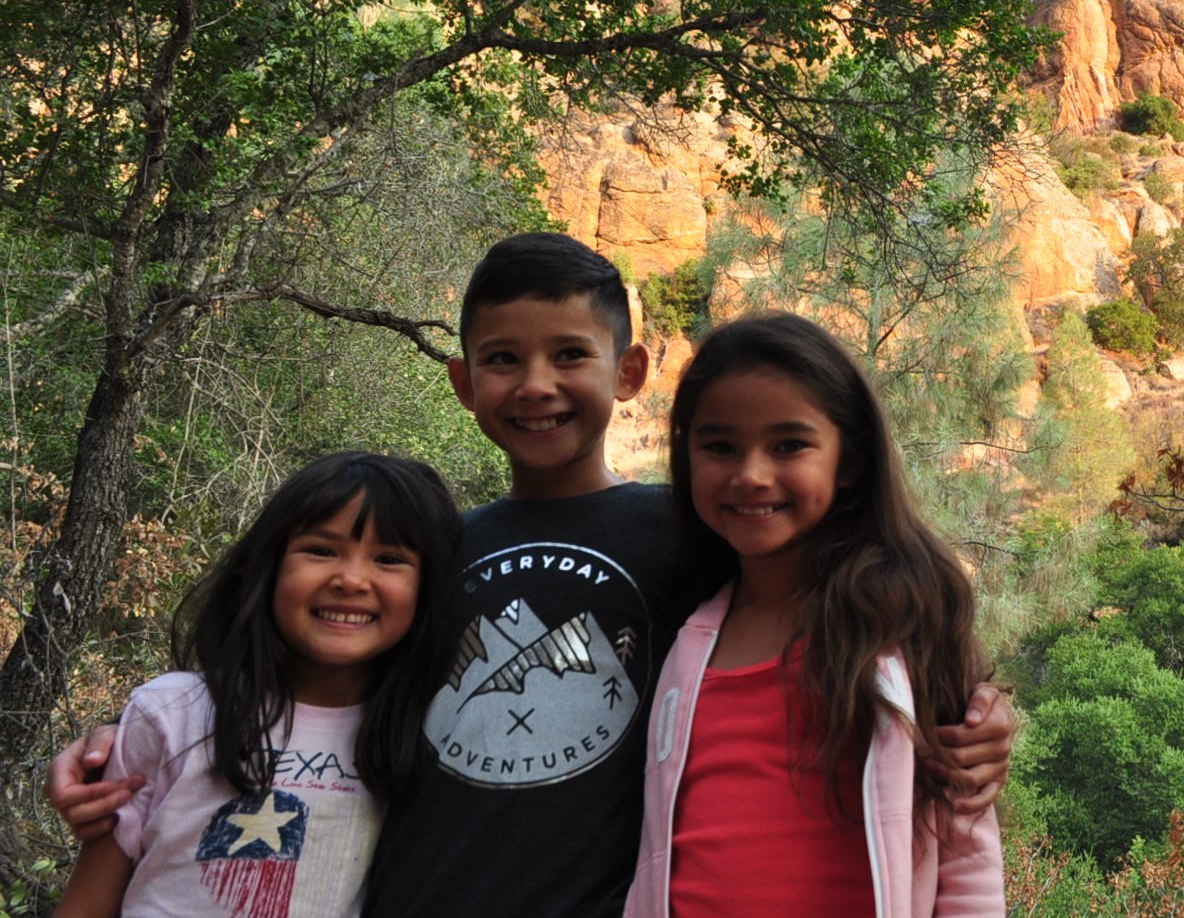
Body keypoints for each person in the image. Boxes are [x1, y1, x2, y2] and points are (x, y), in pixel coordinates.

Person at [51, 232, 1014, 918]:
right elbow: (321, 674)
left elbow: (815, 588)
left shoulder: (685, 533)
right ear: (464, 383)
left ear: (630, 370)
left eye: (569, 355)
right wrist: (137, 745)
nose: (537, 384)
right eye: (503, 360)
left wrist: (970, 715)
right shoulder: (433, 546)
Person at [625, 312, 1003, 918]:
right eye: (719, 447)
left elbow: (964, 838)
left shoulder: (900, 619)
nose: (750, 475)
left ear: (849, 460)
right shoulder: (679, 623)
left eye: (789, 445)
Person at [53, 452, 461, 918]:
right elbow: (86, 904)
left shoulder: (427, 736)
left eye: (389, 559)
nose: (350, 579)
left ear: (428, 592)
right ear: (266, 568)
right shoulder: (173, 712)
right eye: (321, 550)